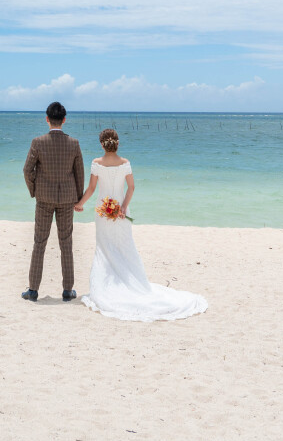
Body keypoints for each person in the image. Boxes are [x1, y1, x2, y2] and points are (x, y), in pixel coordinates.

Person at [75, 127, 208, 322]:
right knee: (124, 246)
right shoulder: (125, 163)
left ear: (101, 144)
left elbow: (92, 188)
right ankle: (130, 282)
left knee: (104, 248)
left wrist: (80, 204)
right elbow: (131, 187)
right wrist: (123, 208)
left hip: (103, 212)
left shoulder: (96, 163)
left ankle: (107, 285)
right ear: (117, 143)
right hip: (120, 213)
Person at [22, 101, 85, 302]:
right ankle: (67, 290)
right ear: (64, 120)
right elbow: (79, 174)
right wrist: (79, 198)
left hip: (44, 199)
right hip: (67, 199)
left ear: (47, 119)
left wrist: (34, 190)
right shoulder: (74, 143)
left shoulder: (38, 142)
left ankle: (32, 290)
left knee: (39, 242)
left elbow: (27, 170)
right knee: (66, 243)